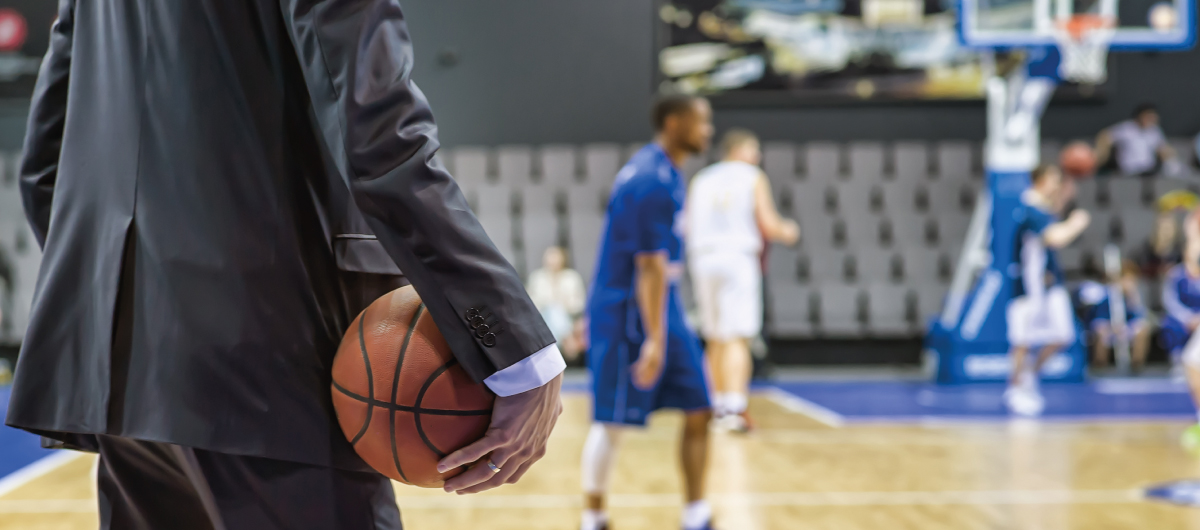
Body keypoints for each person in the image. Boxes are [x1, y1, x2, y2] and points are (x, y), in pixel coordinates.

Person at [6, 2, 565, 529]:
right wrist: (515, 349)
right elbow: (379, 134)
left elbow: (45, 165)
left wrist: (113, 300)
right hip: (266, 361)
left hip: (116, 373)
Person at [580, 95, 715, 530]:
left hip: (663, 304)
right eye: (701, 122)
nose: (707, 130)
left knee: (700, 406)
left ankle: (696, 513)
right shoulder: (650, 179)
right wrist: (656, 339)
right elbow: (649, 267)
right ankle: (593, 516)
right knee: (613, 421)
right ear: (674, 123)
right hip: (628, 311)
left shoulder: (667, 173)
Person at [685, 129, 798, 433]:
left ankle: (712, 404)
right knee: (738, 336)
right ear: (739, 151)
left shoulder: (702, 178)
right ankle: (734, 407)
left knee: (715, 336)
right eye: (754, 149)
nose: (757, 156)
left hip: (703, 257)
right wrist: (788, 230)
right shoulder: (752, 176)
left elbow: (685, 223)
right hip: (736, 256)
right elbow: (769, 223)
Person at [1004, 165, 1091, 417]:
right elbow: (1056, 237)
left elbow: (1052, 216)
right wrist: (1077, 222)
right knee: (1021, 341)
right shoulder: (1030, 209)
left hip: (1047, 285)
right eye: (1053, 182)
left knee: (1063, 335)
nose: (1056, 186)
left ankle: (1029, 375)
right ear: (1039, 182)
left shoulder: (1040, 209)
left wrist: (1063, 197)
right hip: (1025, 286)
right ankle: (1015, 388)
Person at [1076, 261, 1150, 372]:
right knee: (1102, 332)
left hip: (1124, 327)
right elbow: (1098, 316)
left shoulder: (1133, 296)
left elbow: (1138, 316)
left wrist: (1132, 299)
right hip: (1107, 327)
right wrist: (1112, 326)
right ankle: (1100, 366)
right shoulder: (1106, 293)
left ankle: (1136, 366)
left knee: (1143, 329)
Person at [527, 246, 587, 361]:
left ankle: (556, 346)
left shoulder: (572, 277)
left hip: (568, 317)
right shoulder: (537, 278)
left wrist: (563, 305)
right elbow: (531, 303)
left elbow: (579, 303)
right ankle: (567, 341)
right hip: (543, 318)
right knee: (553, 309)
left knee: (556, 310)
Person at [1095, 103, 1178, 176]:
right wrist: (1102, 155)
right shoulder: (1127, 128)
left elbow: (1163, 148)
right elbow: (1105, 135)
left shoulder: (1155, 131)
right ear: (1140, 115)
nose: (1151, 119)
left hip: (1149, 173)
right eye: (1148, 116)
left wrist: (1170, 158)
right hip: (1128, 173)